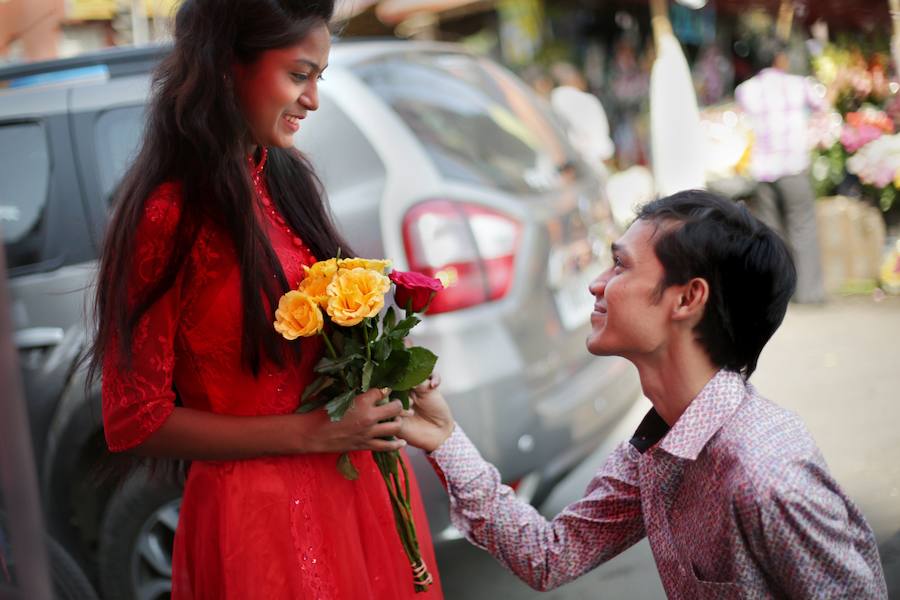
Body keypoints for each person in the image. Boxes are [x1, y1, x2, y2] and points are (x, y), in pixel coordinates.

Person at [86, 1, 442, 598]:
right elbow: (135, 421)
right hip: (258, 519)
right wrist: (310, 433)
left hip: (353, 493)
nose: (313, 99)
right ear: (228, 65)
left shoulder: (285, 177)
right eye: (299, 75)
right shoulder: (168, 217)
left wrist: (385, 383)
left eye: (318, 78)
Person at [401, 190, 887, 598]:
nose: (597, 284)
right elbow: (550, 556)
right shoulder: (664, 443)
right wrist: (444, 437)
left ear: (687, 298)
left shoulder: (769, 479)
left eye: (619, 265)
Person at [735, 39, 827, 304]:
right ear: (780, 59)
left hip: (763, 170)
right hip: (793, 166)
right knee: (802, 227)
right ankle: (808, 294)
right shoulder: (799, 85)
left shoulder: (746, 90)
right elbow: (822, 106)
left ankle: (777, 295)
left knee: (771, 234)